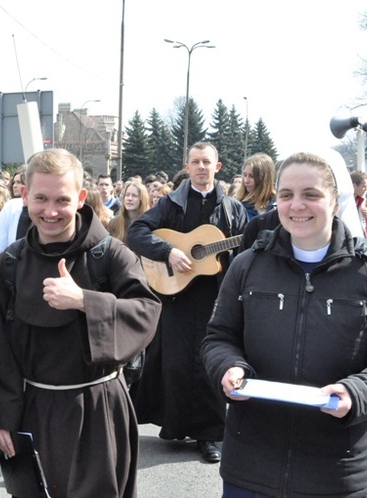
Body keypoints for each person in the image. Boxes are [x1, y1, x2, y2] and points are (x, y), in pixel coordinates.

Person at [202, 151, 367, 497]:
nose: (296, 205)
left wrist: (356, 392)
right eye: (286, 195)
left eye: (311, 194)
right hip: (250, 467)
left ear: (335, 202)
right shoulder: (247, 266)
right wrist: (228, 367)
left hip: (335, 472)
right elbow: (218, 337)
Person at [0, 148, 161, 497]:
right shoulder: (11, 262)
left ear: (80, 198)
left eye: (62, 199)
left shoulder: (109, 254)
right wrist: (3, 414)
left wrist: (84, 301)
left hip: (98, 408)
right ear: (24, 196)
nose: (50, 211)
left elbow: (146, 312)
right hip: (32, 408)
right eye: (41, 199)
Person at [127, 142, 248, 463]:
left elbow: (246, 247)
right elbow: (136, 231)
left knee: (211, 365)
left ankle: (210, 436)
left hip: (217, 298)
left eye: (207, 162)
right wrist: (167, 251)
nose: (201, 167)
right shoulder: (171, 203)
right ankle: (177, 426)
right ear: (188, 165)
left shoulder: (232, 208)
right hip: (176, 296)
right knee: (177, 365)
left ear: (217, 167)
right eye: (195, 162)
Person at [235, 153, 276, 220]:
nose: (246, 180)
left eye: (251, 176)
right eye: (245, 175)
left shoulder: (278, 205)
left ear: (264, 178)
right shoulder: (239, 206)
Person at [351, 170, 367, 238]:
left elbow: (364, 223)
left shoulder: (363, 200)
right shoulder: (343, 203)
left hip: (360, 239)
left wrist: (366, 216)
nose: (366, 189)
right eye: (364, 186)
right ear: (354, 186)